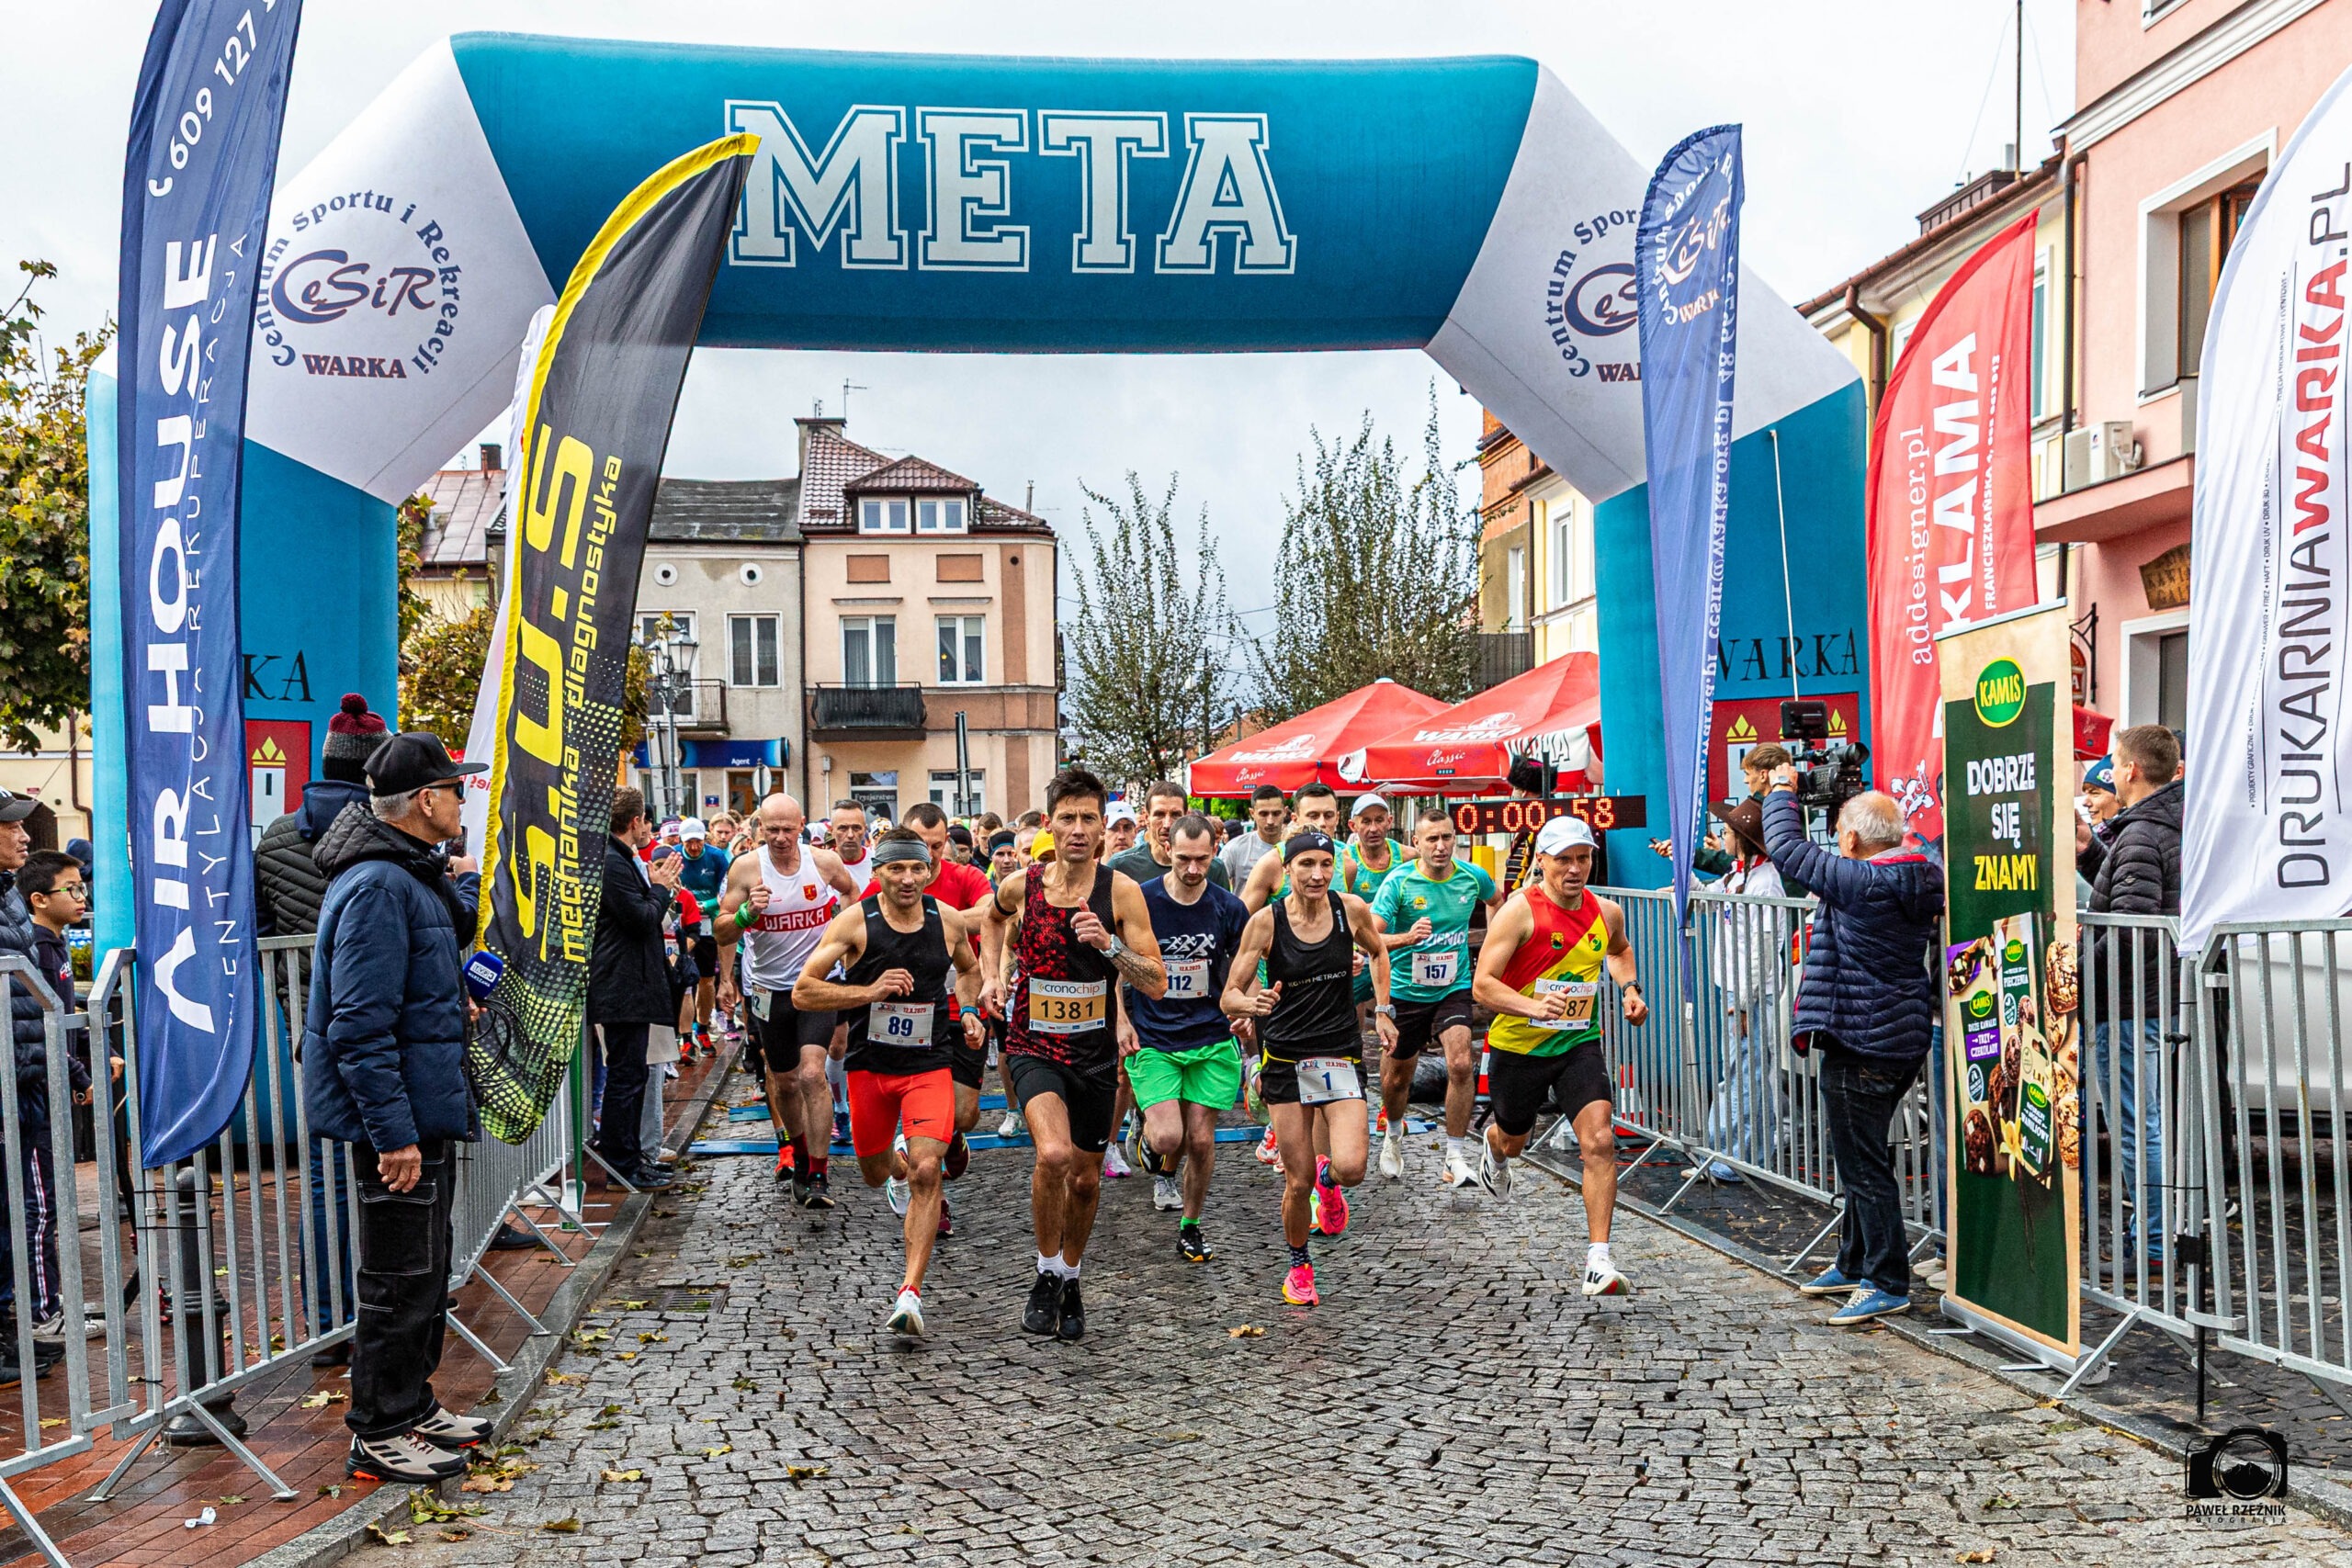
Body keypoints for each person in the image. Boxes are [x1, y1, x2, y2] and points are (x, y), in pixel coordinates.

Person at [302, 733, 494, 1483]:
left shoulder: (408, 872)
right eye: (455, 788)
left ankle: (412, 1403)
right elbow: (358, 1025)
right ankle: (378, 1426)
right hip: (399, 1121)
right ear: (424, 799)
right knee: (397, 1277)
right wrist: (393, 1134)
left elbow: (405, 992)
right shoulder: (379, 886)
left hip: (420, 1107)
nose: (462, 800)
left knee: (425, 1270)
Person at [980, 768, 1166, 1342]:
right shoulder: (1024, 885)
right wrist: (992, 976)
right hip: (1033, 1044)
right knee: (1054, 1154)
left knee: (1085, 1180)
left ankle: (1070, 1275)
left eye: (1089, 819)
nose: (1079, 829)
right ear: (1050, 825)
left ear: (1104, 828)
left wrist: (1109, 945)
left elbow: (1156, 980)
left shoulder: (1121, 892)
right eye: (1068, 818)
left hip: (1094, 1054)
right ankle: (1044, 1272)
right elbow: (992, 920)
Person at [1761, 776, 1943, 1325]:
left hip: (1860, 1038)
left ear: (1852, 840)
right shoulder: (1917, 874)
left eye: (1839, 831)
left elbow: (1786, 847)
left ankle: (1885, 1279)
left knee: (1863, 1166)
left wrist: (1780, 790)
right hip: (1898, 1034)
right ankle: (1853, 1261)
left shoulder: (1863, 882)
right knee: (1860, 1156)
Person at [793, 828, 986, 1338]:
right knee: (877, 1173)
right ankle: (896, 1165)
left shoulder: (947, 920)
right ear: (877, 872)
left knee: (927, 1169)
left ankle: (910, 1293)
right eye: (896, 868)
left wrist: (968, 1009)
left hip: (929, 1064)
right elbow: (803, 991)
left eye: (917, 868)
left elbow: (969, 970)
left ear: (930, 870)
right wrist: (869, 991)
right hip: (870, 1069)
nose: (907, 878)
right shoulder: (856, 922)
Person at [1472, 816, 1647, 1294]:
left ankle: (1598, 1261)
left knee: (1600, 1141)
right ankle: (1494, 1147)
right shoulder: (1518, 912)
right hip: (1519, 1046)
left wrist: (1629, 989)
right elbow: (1483, 985)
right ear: (1542, 862)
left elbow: (1619, 951)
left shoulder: (1606, 911)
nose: (1575, 869)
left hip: (1577, 1043)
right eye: (1564, 859)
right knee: (1514, 1140)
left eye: (1583, 858)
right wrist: (1532, 1006)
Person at [1223, 829, 1396, 1306]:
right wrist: (1252, 1004)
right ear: (1287, 870)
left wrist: (1383, 1011)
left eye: (1325, 864)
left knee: (1352, 1167)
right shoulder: (1266, 922)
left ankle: (1330, 1182)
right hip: (1285, 1058)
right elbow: (1229, 995)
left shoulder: (1350, 910)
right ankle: (1299, 1266)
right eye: (1306, 865)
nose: (1317, 875)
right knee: (1296, 1182)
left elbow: (1378, 951)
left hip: (1339, 1053)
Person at [716, 795, 860, 1206]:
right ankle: (798, 1155)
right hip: (769, 990)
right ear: (760, 829)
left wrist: (843, 936)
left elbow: (852, 892)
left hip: (816, 983)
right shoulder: (746, 868)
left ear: (802, 825)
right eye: (772, 830)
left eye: (788, 829)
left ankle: (818, 1173)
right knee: (785, 1081)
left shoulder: (823, 862)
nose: (780, 838)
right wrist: (746, 915)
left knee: (813, 1074)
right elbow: (721, 929)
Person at [1118, 814, 1250, 1258]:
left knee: (1201, 1140)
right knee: (1167, 1139)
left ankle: (1190, 1226)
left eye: (1202, 859)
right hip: (1155, 1036)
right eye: (1183, 859)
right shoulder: (1142, 900)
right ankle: (1147, 1132)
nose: (1193, 869)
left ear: (1214, 853)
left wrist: (1245, 1006)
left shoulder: (1228, 907)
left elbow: (1246, 964)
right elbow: (1113, 964)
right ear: (1166, 849)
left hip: (1210, 1035)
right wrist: (1121, 1019)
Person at [863, 802, 995, 1238]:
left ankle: (947, 1137)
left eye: (939, 846)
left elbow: (991, 913)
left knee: (966, 1114)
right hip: (902, 1016)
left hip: (961, 1009)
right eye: (922, 845)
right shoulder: (882, 884)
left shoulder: (966, 877)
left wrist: (936, 918)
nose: (932, 855)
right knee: (921, 1135)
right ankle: (928, 1196)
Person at [2075, 724, 2184, 1258]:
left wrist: (2072, 975)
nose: (2111, 771)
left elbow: (2129, 930)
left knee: (2137, 1126)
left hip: (2128, 1001)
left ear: (2132, 770)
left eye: (2115, 762)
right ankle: (2152, 1235)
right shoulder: (2156, 824)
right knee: (2144, 1121)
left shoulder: (2142, 831)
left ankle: (2154, 1243)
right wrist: (2090, 851)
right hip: (2145, 997)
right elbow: (2133, 890)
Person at [1369, 809, 1501, 1186]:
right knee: (1397, 1080)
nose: (1441, 846)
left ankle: (1454, 1156)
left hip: (1452, 988)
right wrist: (1408, 937)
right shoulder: (1399, 883)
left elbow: (1497, 900)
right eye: (1432, 839)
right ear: (1416, 842)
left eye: (1446, 837)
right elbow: (1370, 938)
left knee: (1460, 1064)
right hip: (1405, 992)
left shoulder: (1472, 876)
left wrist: (1492, 945)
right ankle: (1393, 1134)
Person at [0, 796, 81, 1382]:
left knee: (15, 1209)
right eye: (10, 826)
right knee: (23, 1207)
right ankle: (26, 1318)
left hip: (25, 1073)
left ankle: (15, 1328)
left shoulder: (7, 894)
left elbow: (33, 1001)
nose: (23, 834)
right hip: (11, 1073)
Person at [591, 789, 684, 1191]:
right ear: (635, 822)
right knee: (625, 1077)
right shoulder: (612, 861)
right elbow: (641, 918)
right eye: (646, 820)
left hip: (632, 984)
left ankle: (631, 1161)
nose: (649, 828)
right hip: (620, 986)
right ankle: (621, 1166)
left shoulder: (620, 857)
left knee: (633, 1075)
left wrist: (658, 887)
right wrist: (660, 888)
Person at [1698, 798, 1789, 1183]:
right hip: (1737, 988)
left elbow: (1764, 949)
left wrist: (1748, 1001)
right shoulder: (1738, 875)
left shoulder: (1764, 881)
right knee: (1740, 1071)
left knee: (1744, 1072)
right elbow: (1707, 898)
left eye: (1728, 832)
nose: (1723, 837)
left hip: (1750, 993)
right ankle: (1735, 1151)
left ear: (1743, 839)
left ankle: (1740, 1156)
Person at [255, 693, 385, 942]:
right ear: (381, 771)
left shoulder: (275, 834)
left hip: (293, 969)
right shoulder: (397, 831)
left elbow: (261, 931)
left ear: (327, 765)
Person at [1650, 742, 1792, 880]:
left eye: (1747, 773)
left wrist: (1686, 854)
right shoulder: (1783, 810)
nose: (1745, 780)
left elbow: (1764, 873)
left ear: (1763, 775)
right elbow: (1743, 870)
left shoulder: (1774, 813)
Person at [667, 818, 732, 1052]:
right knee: (680, 979)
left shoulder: (716, 857)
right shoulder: (674, 855)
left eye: (698, 842)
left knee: (706, 979)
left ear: (705, 839)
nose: (694, 847)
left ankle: (702, 1027)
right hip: (680, 922)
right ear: (681, 841)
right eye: (689, 843)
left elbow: (727, 892)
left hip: (708, 922)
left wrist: (706, 905)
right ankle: (681, 1034)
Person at [1107, 781, 1232, 891]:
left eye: (1175, 815)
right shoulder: (1121, 865)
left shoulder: (1213, 867)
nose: (1167, 824)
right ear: (1146, 818)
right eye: (1159, 814)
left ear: (1186, 816)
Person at [1219, 783, 1288, 887]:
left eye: (1276, 813)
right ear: (1252, 813)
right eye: (1263, 814)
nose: (1270, 821)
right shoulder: (1234, 848)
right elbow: (1216, 888)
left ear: (1285, 812)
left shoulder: (1296, 847)